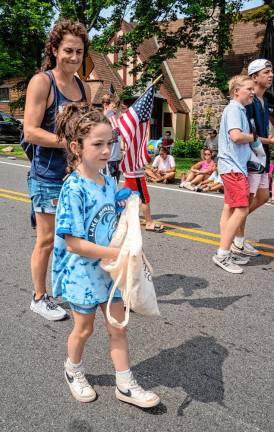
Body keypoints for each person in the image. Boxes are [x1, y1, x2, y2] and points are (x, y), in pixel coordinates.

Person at [52, 103, 160, 408]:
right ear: (76, 146)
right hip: (83, 274)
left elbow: (108, 214)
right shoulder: (73, 189)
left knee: (118, 327)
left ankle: (124, 383)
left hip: (109, 271)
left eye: (110, 143)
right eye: (98, 144)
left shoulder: (107, 178)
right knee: (84, 328)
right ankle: (73, 370)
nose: (106, 150)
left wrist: (120, 199)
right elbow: (73, 242)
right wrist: (117, 251)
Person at [23, 20, 91, 320]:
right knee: (47, 239)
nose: (74, 57)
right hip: (47, 176)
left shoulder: (83, 86)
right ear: (54, 50)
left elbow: (86, 129)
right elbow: (30, 132)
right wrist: (69, 143)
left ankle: (71, 287)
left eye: (79, 51)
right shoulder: (42, 82)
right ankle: (39, 297)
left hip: (76, 177)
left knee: (76, 236)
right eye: (68, 50)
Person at [212, 75, 257, 274]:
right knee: (241, 209)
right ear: (236, 91)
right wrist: (254, 137)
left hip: (232, 166)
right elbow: (236, 136)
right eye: (249, 88)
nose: (253, 92)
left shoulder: (238, 109)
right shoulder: (234, 109)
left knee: (230, 208)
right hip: (233, 167)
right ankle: (222, 254)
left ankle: (228, 248)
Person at [231, 59, 274, 257]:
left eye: (271, 71)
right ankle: (237, 240)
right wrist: (268, 140)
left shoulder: (267, 100)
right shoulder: (248, 101)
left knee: (263, 196)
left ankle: (233, 226)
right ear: (255, 77)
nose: (271, 75)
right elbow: (244, 132)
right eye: (266, 72)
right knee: (245, 201)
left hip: (263, 155)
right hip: (250, 157)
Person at [102, 94, 123, 183]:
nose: (116, 108)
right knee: (107, 187)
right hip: (108, 159)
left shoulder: (114, 118)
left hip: (116, 158)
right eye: (114, 106)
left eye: (117, 106)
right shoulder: (104, 118)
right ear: (106, 105)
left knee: (114, 186)